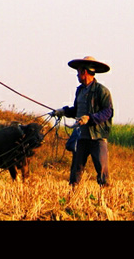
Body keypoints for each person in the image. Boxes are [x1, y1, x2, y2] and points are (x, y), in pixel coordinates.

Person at [53, 56, 113, 188]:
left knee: (102, 170)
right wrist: (63, 111)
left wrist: (89, 118)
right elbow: (76, 111)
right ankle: (73, 195)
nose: (77, 76)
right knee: (76, 169)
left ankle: (106, 196)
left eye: (78, 72)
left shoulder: (102, 91)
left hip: (97, 136)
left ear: (84, 72)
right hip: (81, 136)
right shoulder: (80, 90)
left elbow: (107, 112)